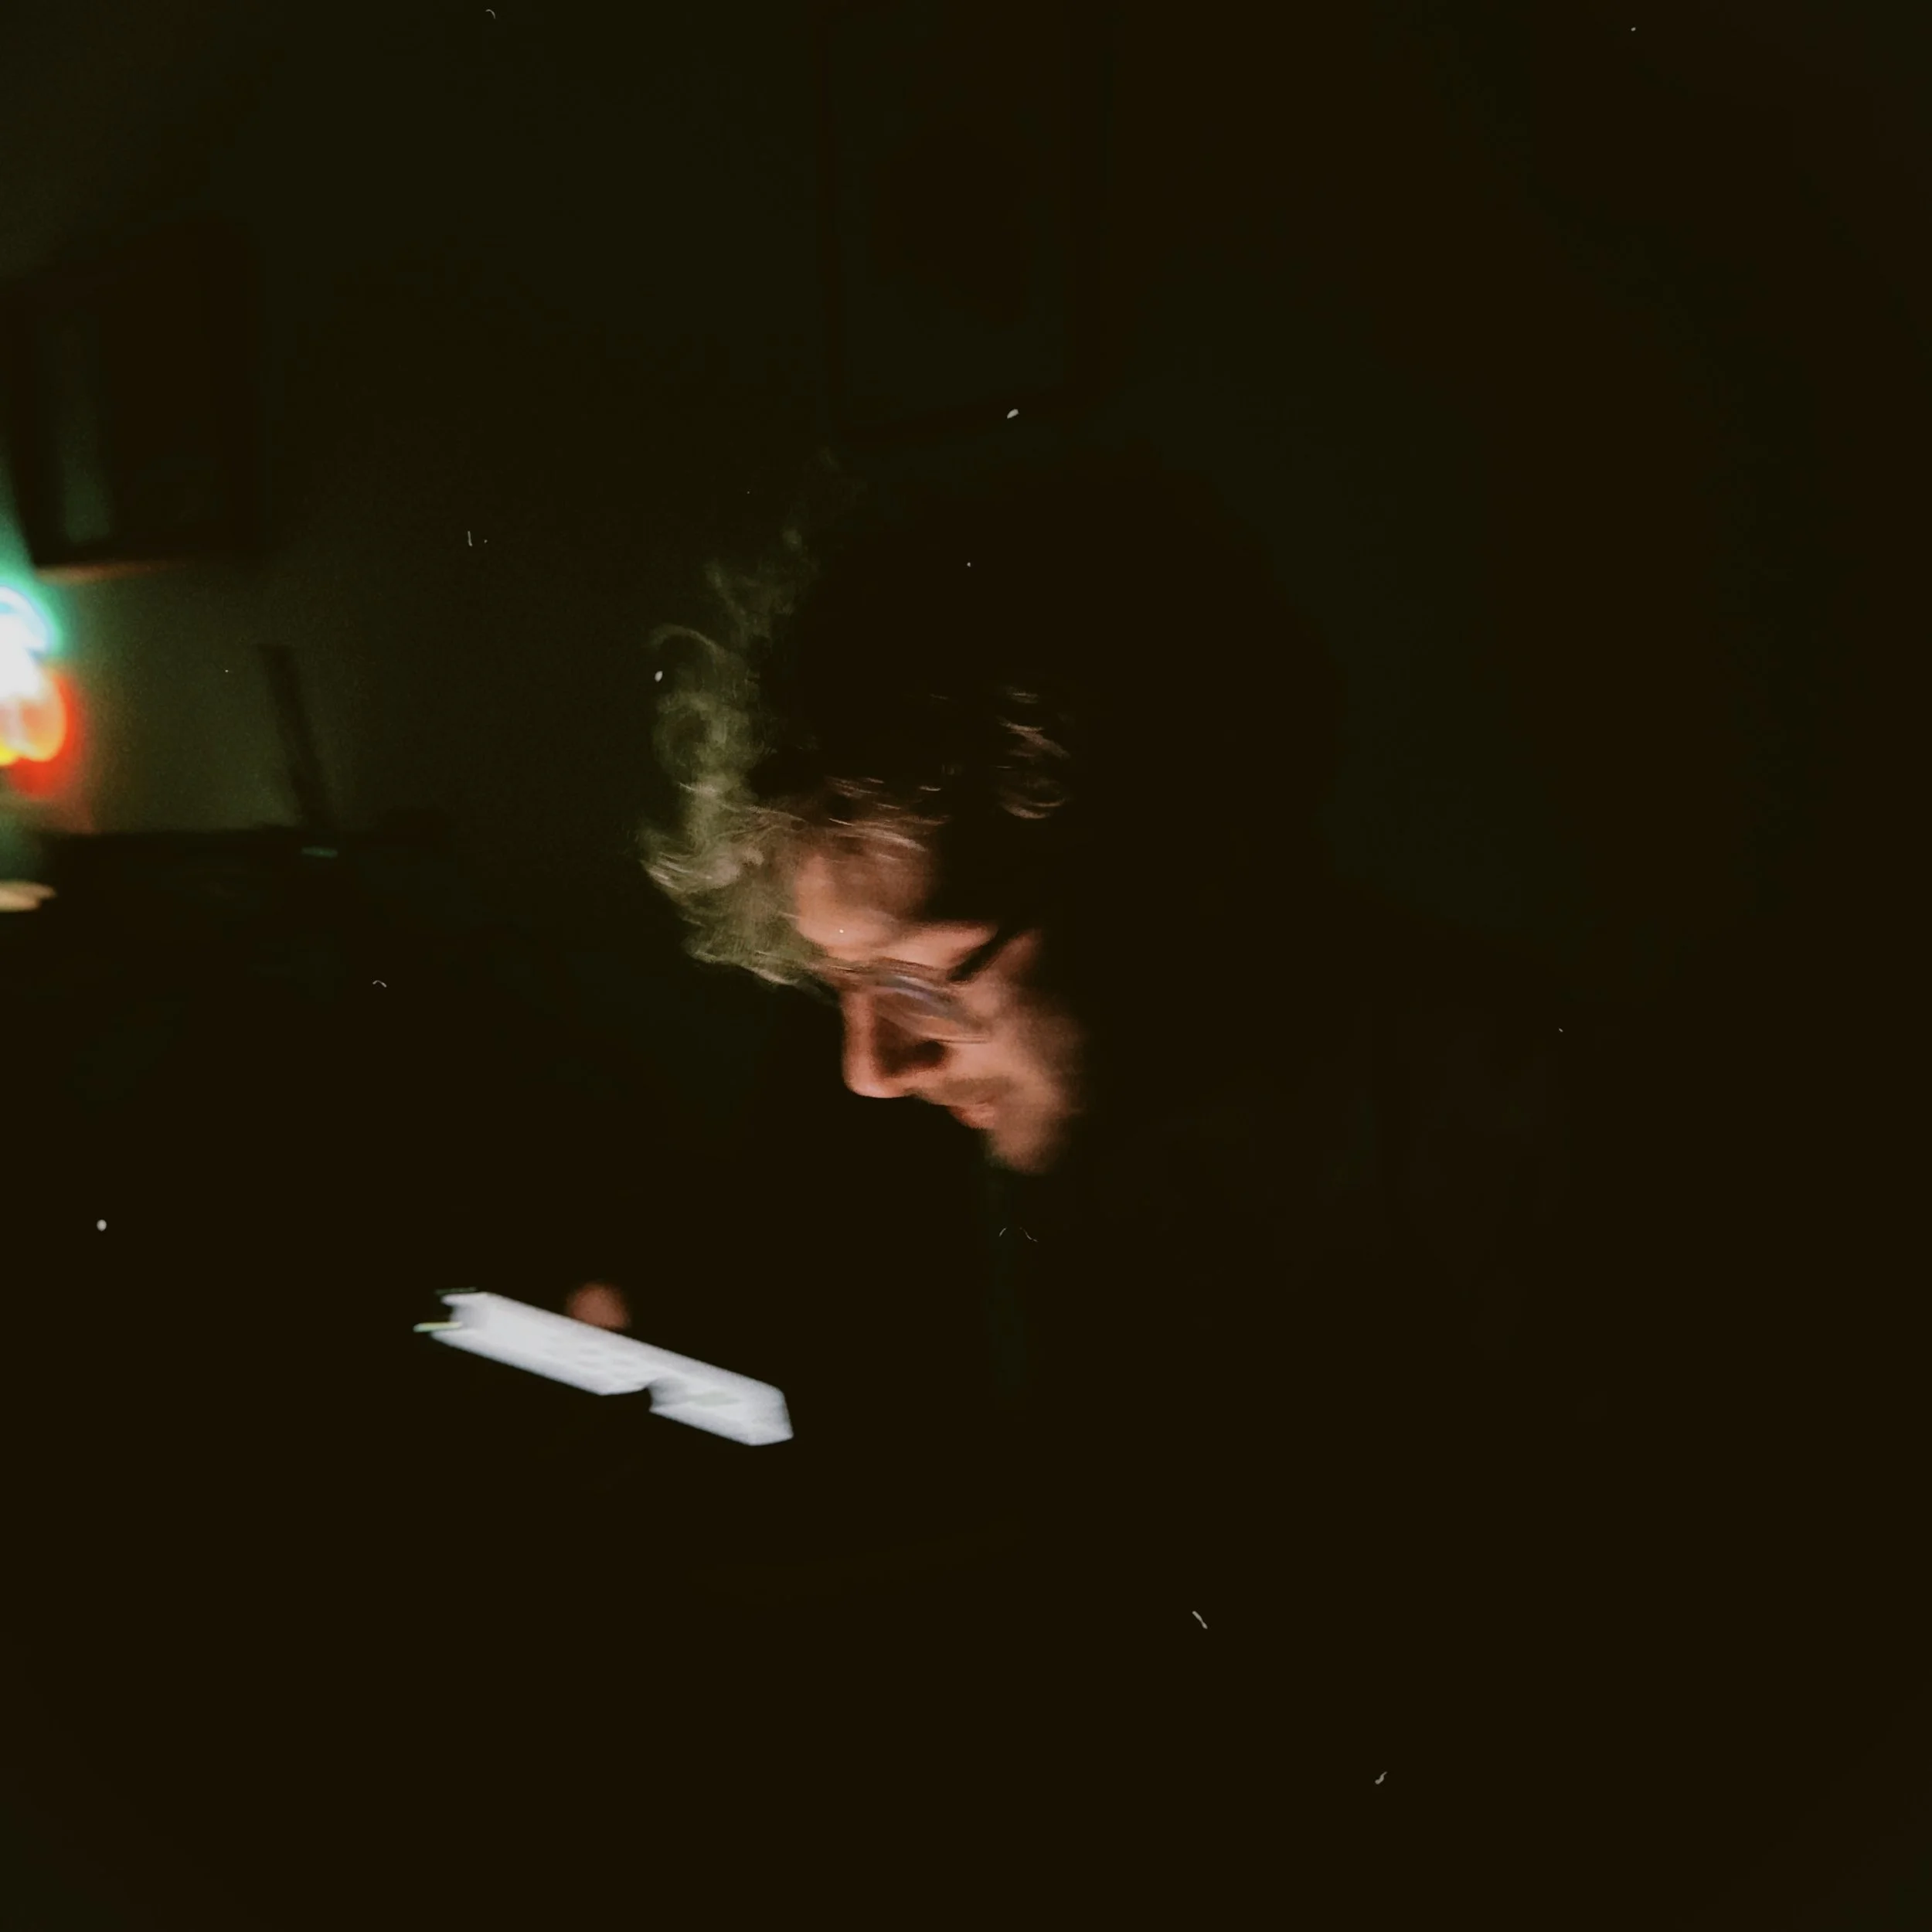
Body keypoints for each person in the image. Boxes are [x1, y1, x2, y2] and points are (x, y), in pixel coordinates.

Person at [565, 441, 1909, 1923]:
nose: (871, 1065)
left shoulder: (1546, 1143)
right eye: (838, 985)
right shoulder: (956, 1129)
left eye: (927, 979)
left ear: (1176, 855)